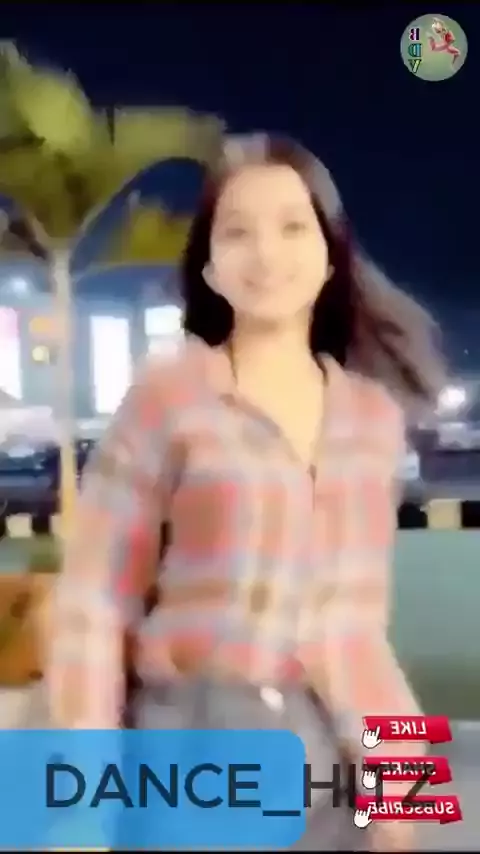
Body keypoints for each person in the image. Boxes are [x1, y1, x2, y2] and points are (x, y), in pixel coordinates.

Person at [46, 133, 445, 850]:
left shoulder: (372, 421)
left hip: (326, 763)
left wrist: (404, 792)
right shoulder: (169, 397)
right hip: (187, 752)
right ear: (210, 265)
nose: (266, 252)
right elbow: (95, 603)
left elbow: (355, 632)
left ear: (331, 253)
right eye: (238, 231)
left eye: (293, 226)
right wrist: (82, 800)